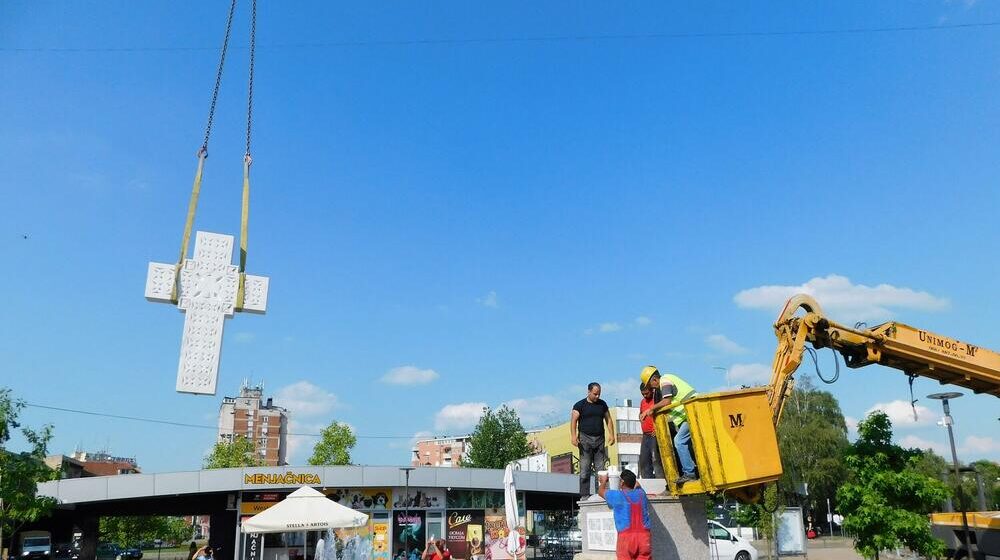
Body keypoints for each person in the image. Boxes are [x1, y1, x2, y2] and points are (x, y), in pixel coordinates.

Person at [637, 366, 698, 484]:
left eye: (651, 385)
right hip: (690, 413)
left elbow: (667, 401)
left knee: (679, 441)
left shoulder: (665, 381)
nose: (653, 388)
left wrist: (651, 409)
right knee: (686, 444)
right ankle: (693, 470)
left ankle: (690, 473)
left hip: (692, 413)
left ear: (654, 379)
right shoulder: (668, 379)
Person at [570, 382, 616, 497]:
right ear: (589, 392)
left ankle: (600, 493)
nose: (597, 396)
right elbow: (573, 421)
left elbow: (608, 420)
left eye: (599, 394)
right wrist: (573, 436)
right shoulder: (579, 405)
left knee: (600, 469)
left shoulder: (602, 404)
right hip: (585, 439)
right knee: (585, 468)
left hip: (600, 439)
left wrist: (612, 434)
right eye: (595, 394)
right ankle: (584, 495)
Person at [598, 469, 651, 560]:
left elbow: (601, 491)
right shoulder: (641, 493)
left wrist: (603, 481)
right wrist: (629, 479)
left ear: (622, 482)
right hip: (644, 538)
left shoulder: (617, 495)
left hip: (626, 539)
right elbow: (637, 484)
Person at [637, 383, 663, 479]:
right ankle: (647, 482)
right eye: (642, 394)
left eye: (646, 393)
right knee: (644, 460)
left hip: (654, 435)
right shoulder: (642, 402)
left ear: (652, 390)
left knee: (656, 459)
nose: (644, 395)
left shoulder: (657, 400)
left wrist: (657, 429)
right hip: (645, 435)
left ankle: (661, 481)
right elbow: (641, 414)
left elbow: (662, 416)